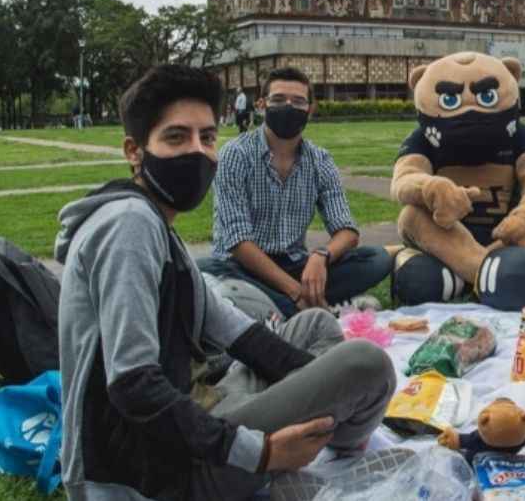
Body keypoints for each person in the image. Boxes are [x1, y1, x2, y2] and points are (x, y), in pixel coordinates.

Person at [55, 64, 396, 500]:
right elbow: (134, 387)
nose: (197, 153)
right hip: (151, 474)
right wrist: (262, 452)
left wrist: (317, 381)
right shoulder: (129, 226)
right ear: (135, 151)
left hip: (192, 414)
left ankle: (316, 441)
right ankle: (328, 451)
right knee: (366, 365)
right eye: (177, 138)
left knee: (317, 328)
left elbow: (237, 332)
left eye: (207, 137)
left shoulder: (154, 220)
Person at [204, 67, 392, 317]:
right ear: (262, 105)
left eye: (298, 101)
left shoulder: (320, 160)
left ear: (310, 110)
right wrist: (295, 290)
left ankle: (274, 309)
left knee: (376, 259)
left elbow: (347, 231)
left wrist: (320, 256)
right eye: (279, 100)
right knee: (206, 271)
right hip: (243, 266)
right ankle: (305, 306)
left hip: (295, 264)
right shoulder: (235, 154)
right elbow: (238, 242)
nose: (289, 107)